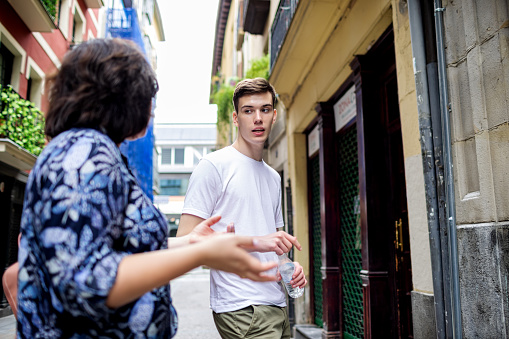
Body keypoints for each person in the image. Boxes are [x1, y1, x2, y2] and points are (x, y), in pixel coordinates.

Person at [16, 38, 278, 339]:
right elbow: (82, 280)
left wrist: (192, 243)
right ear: (122, 96)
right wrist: (200, 253)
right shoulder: (83, 152)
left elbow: (113, 250)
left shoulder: (91, 150)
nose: (151, 107)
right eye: (147, 94)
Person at [177, 77, 307, 338]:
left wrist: (290, 266)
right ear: (236, 118)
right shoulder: (213, 166)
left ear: (274, 115)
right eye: (248, 111)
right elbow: (183, 243)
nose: (257, 118)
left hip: (278, 304)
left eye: (265, 110)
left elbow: (277, 248)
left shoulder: (273, 177)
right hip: (242, 309)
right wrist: (243, 242)